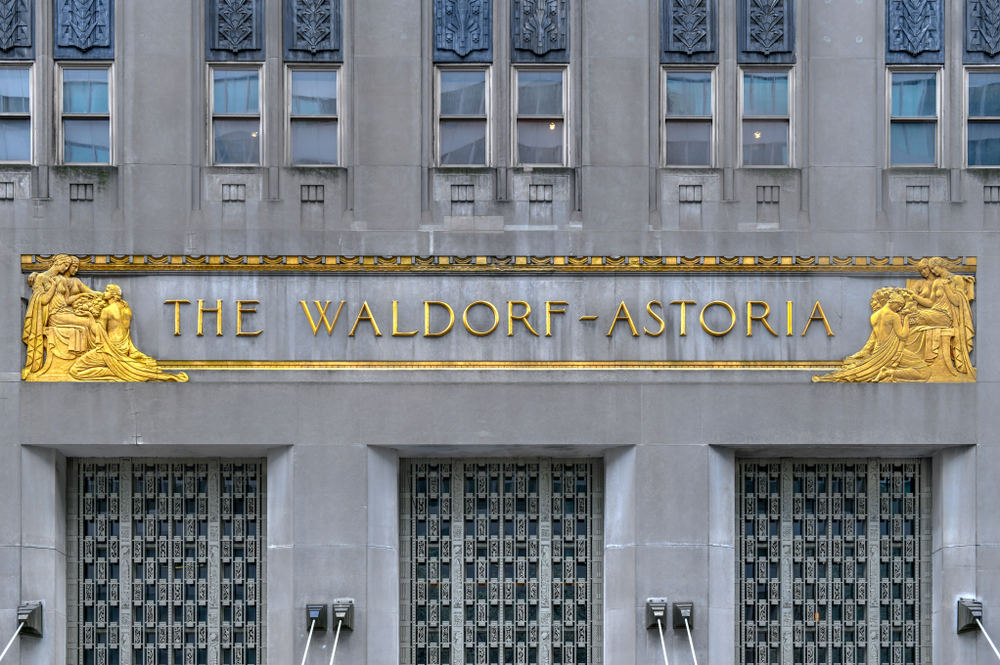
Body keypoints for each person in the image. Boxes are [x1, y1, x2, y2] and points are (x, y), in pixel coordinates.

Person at [69, 285, 188, 382]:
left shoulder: (106, 311)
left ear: (114, 294)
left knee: (75, 371)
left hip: (109, 350)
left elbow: (97, 333)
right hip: (124, 349)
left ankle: (116, 372)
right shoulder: (127, 310)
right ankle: (121, 370)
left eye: (107, 290)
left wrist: (89, 316)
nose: (104, 293)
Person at [814, 289, 931, 383]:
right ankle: (888, 373)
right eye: (899, 306)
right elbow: (903, 336)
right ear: (894, 302)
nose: (899, 309)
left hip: (878, 350)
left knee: (862, 370)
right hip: (891, 352)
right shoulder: (894, 316)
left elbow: (874, 339)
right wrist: (906, 319)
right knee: (924, 371)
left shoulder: (874, 316)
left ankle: (887, 373)